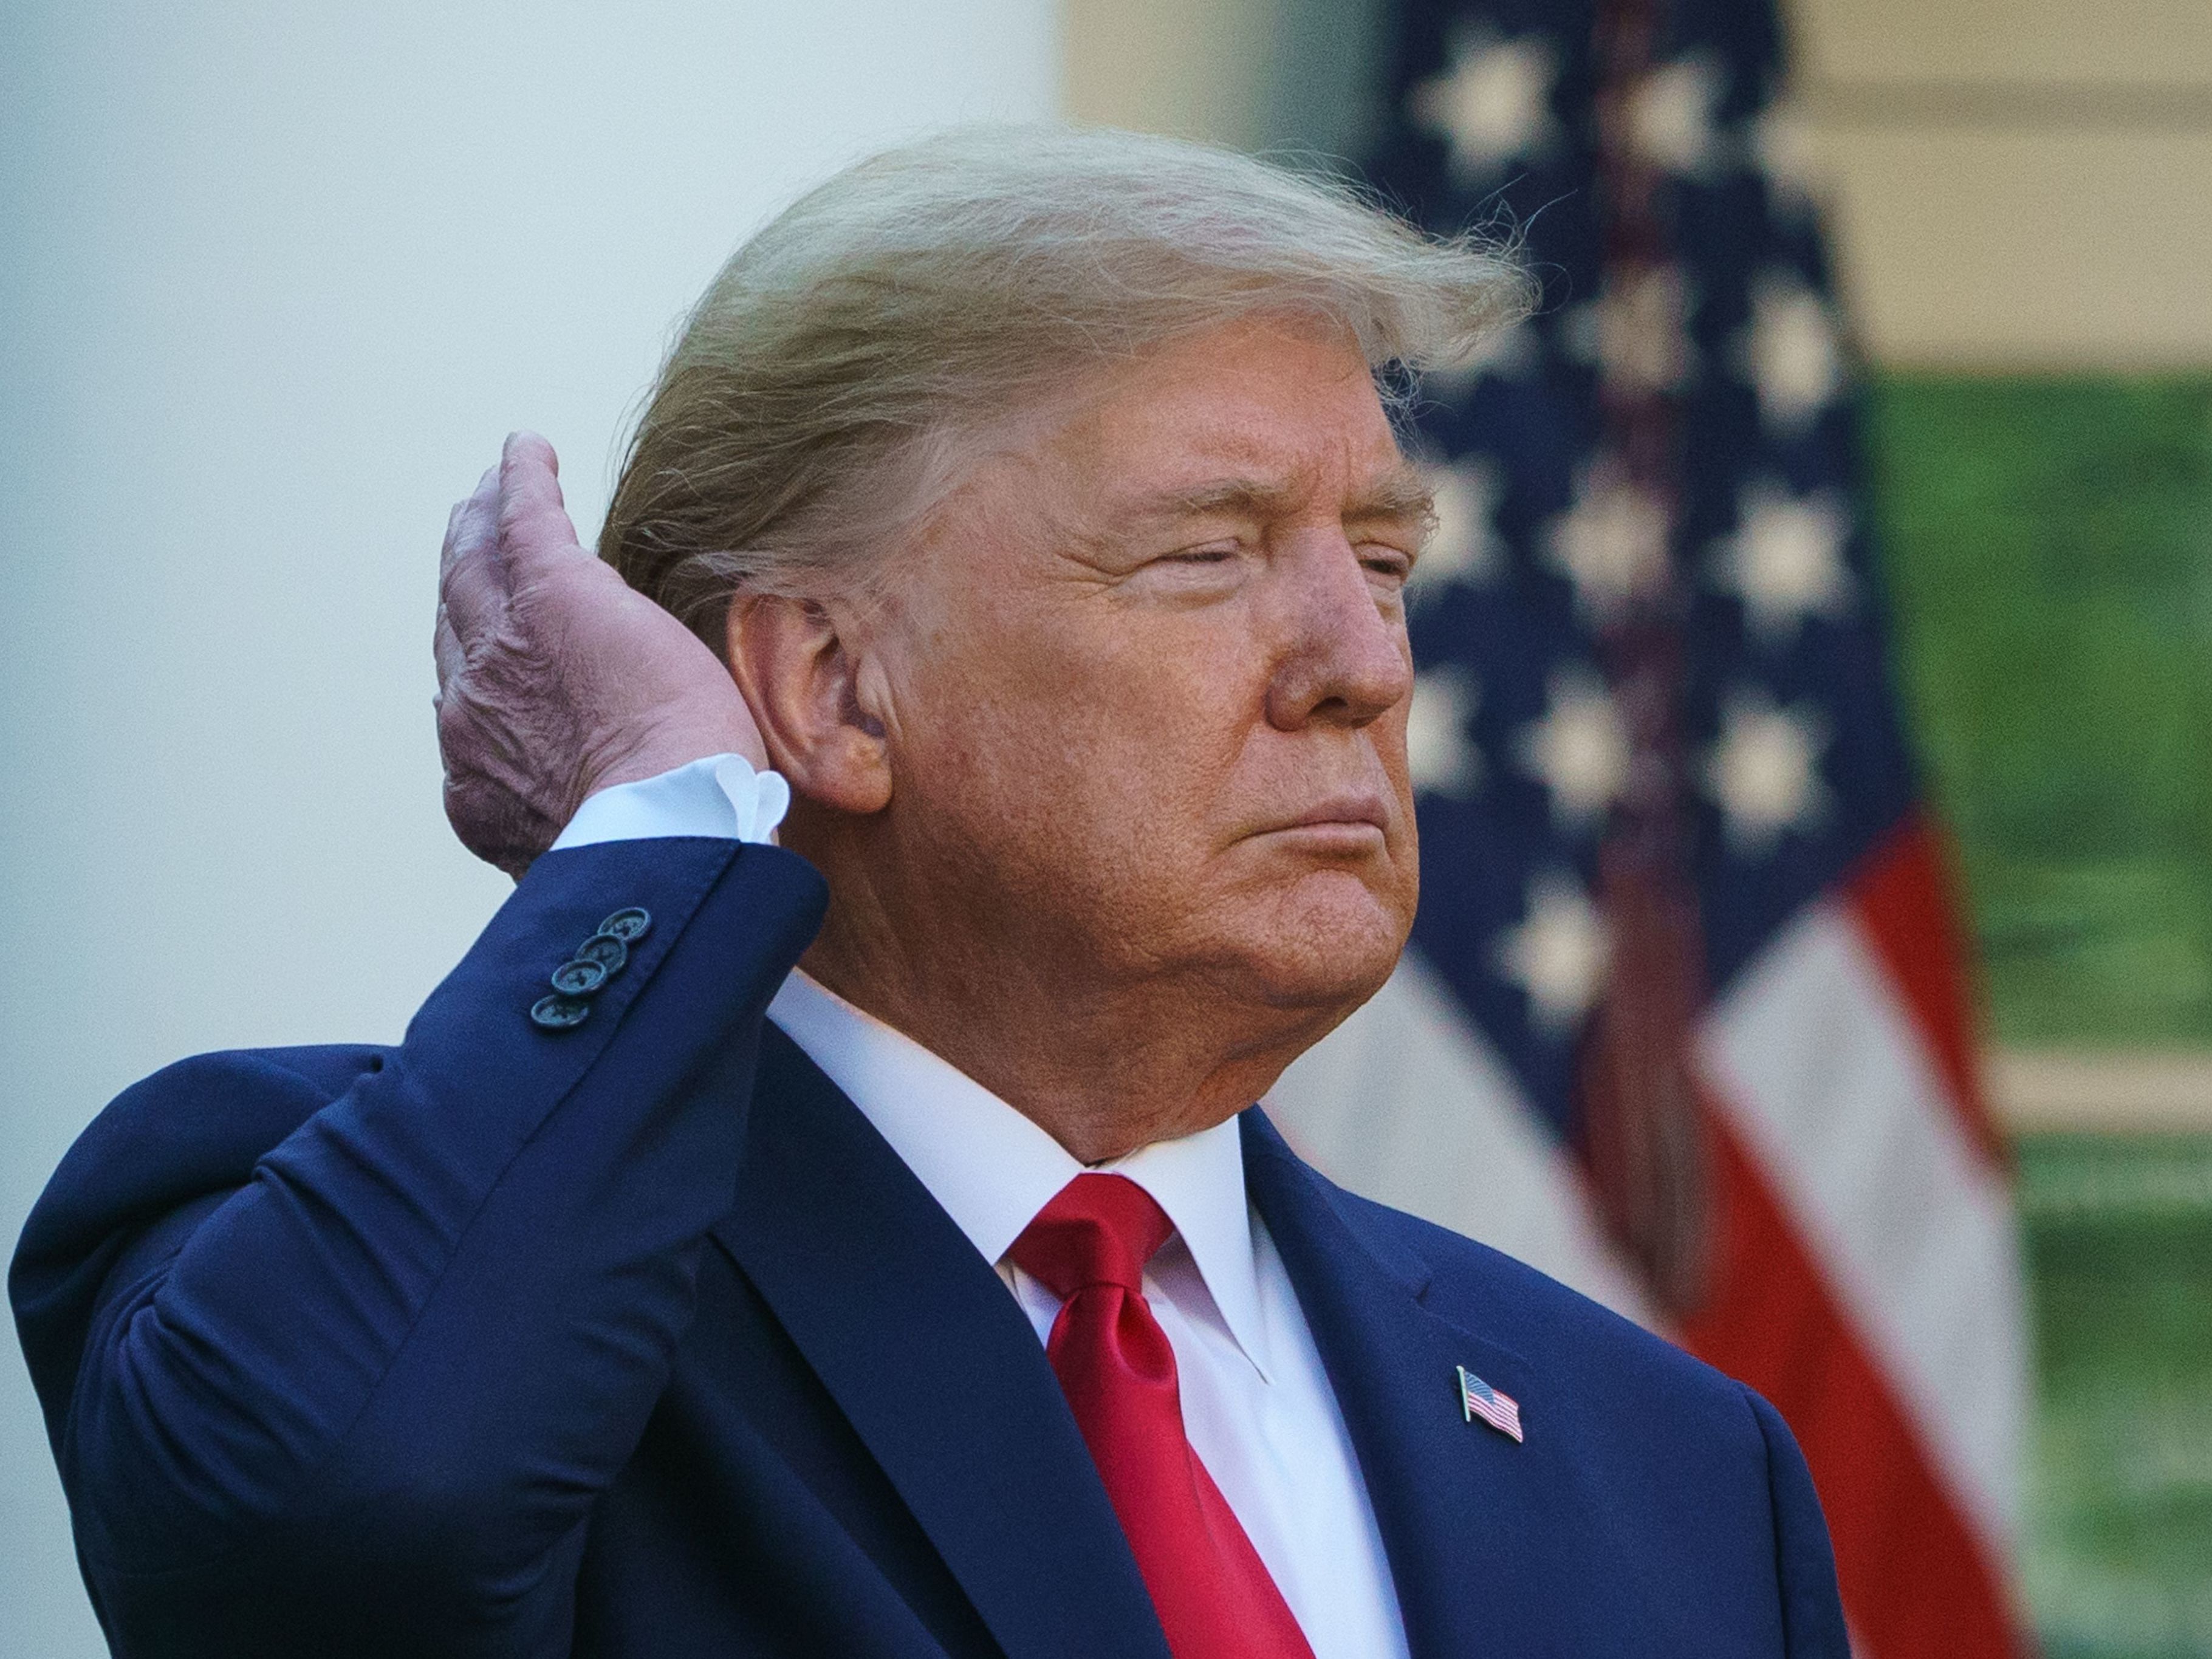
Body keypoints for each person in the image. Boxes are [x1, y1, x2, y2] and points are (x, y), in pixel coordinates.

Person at [12, 127, 1849, 1658]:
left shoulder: (1670, 1463)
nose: (1361, 659)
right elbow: (333, 1534)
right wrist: (660, 830)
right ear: (827, 686)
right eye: (1206, 554)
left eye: (1378, 558)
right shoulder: (355, 1257)